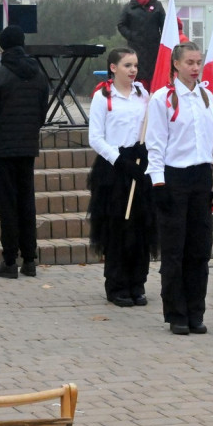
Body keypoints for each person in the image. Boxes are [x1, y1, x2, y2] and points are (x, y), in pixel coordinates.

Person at [145, 42, 213, 335]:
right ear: (176, 65)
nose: (195, 68)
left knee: (199, 249)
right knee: (174, 250)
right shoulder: (162, 99)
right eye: (190, 62)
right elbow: (155, 144)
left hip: (201, 178)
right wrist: (158, 182)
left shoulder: (207, 96)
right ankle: (176, 313)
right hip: (174, 178)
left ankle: (196, 310)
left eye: (198, 62)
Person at [0, 25, 51, 278]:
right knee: (27, 202)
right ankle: (30, 259)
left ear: (2, 47)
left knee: (7, 204)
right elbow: (42, 111)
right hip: (27, 146)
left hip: (2, 149)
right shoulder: (38, 74)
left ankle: (9, 261)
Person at [88, 47, 156, 308]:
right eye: (127, 65)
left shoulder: (143, 94)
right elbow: (95, 138)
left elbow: (149, 127)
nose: (133, 70)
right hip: (113, 168)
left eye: (135, 65)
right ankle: (116, 284)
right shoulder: (103, 97)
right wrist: (119, 160)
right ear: (113, 68)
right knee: (117, 227)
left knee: (140, 227)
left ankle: (137, 283)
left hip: (140, 166)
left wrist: (144, 149)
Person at [117, 0, 166, 87]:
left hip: (153, 49)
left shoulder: (157, 6)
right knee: (137, 73)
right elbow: (121, 25)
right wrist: (131, 36)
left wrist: (161, 41)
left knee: (153, 75)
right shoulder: (129, 7)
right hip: (135, 48)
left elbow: (164, 25)